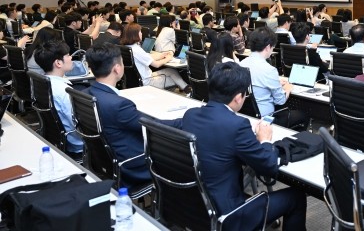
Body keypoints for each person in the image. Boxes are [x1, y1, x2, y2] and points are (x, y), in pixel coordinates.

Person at [182, 62, 307, 230]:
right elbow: (268, 167)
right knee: (296, 197)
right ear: (238, 97)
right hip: (228, 215)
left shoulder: (190, 116)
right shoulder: (237, 125)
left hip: (192, 206)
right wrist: (264, 140)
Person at [84, 43, 181, 188]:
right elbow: (156, 127)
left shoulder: (87, 94)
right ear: (117, 69)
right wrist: (188, 119)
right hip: (133, 165)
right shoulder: (118, 105)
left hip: (103, 162)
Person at [239, 27, 308, 129]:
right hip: (267, 118)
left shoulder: (241, 64)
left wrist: (276, 83)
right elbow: (280, 101)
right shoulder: (269, 70)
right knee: (304, 115)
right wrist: (288, 89)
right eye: (272, 47)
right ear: (267, 47)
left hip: (248, 115)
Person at [33, 39, 83, 155]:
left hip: (56, 140)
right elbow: (76, 125)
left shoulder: (41, 82)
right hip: (77, 144)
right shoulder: (64, 93)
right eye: (68, 55)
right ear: (58, 63)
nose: (71, 58)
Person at [121, 23, 192, 94]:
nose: (141, 34)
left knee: (171, 71)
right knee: (176, 80)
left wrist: (162, 55)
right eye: (140, 32)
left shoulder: (127, 47)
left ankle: (187, 90)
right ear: (134, 34)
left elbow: (147, 57)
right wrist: (169, 58)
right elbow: (156, 65)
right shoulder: (137, 49)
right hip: (148, 82)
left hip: (137, 80)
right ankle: (187, 92)